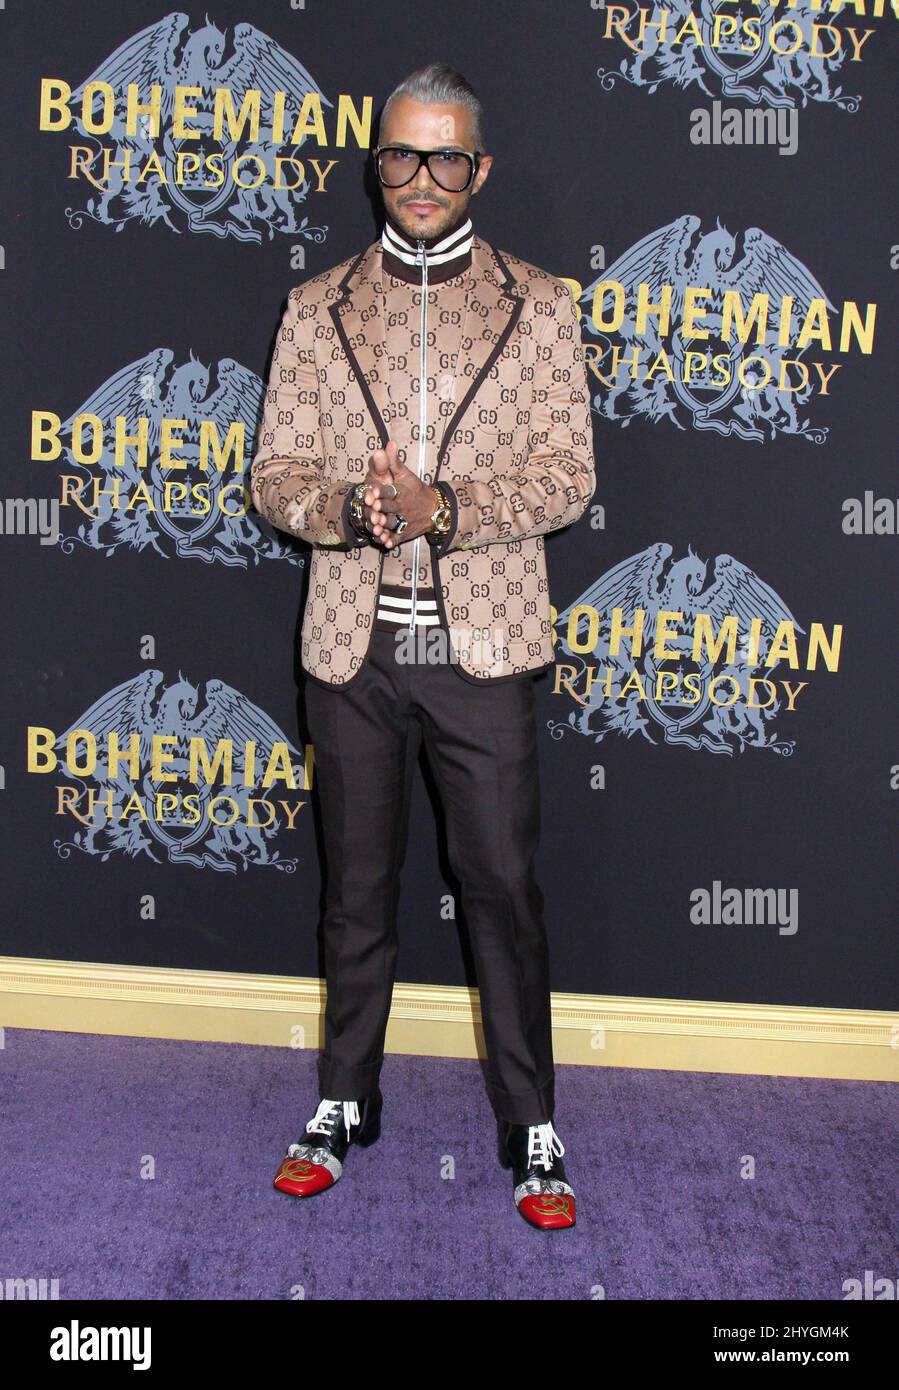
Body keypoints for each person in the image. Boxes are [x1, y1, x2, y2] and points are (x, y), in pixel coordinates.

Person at [251, 63, 595, 1230]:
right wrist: (354, 508)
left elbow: (565, 477)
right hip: (350, 650)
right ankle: (343, 1098)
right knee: (353, 893)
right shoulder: (314, 307)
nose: (421, 178)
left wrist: (443, 509)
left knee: (500, 890)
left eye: (445, 157)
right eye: (401, 155)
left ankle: (531, 1120)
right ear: (375, 165)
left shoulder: (541, 303)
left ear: (479, 169)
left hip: (483, 649)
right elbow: (273, 477)